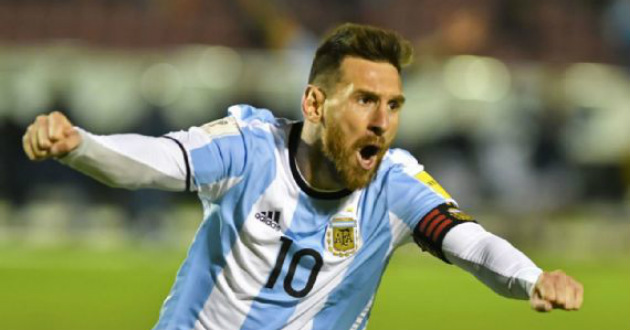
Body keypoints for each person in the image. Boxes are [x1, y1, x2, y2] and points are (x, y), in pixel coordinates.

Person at [22, 23, 583, 330]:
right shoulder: (249, 148)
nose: (382, 122)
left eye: (394, 104)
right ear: (314, 103)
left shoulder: (394, 183)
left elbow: (468, 240)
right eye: (365, 100)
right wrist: (80, 146)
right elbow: (156, 162)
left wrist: (532, 278)